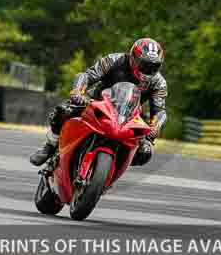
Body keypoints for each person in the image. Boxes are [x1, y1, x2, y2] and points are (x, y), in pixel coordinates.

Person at [29, 38, 168, 167]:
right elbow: (87, 76)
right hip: (96, 101)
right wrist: (78, 91)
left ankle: (111, 170)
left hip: (129, 114)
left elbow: (159, 110)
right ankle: (50, 146)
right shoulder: (114, 60)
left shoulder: (159, 83)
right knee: (63, 111)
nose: (148, 69)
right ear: (133, 57)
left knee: (145, 152)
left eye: (153, 66)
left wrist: (155, 127)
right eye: (144, 64)